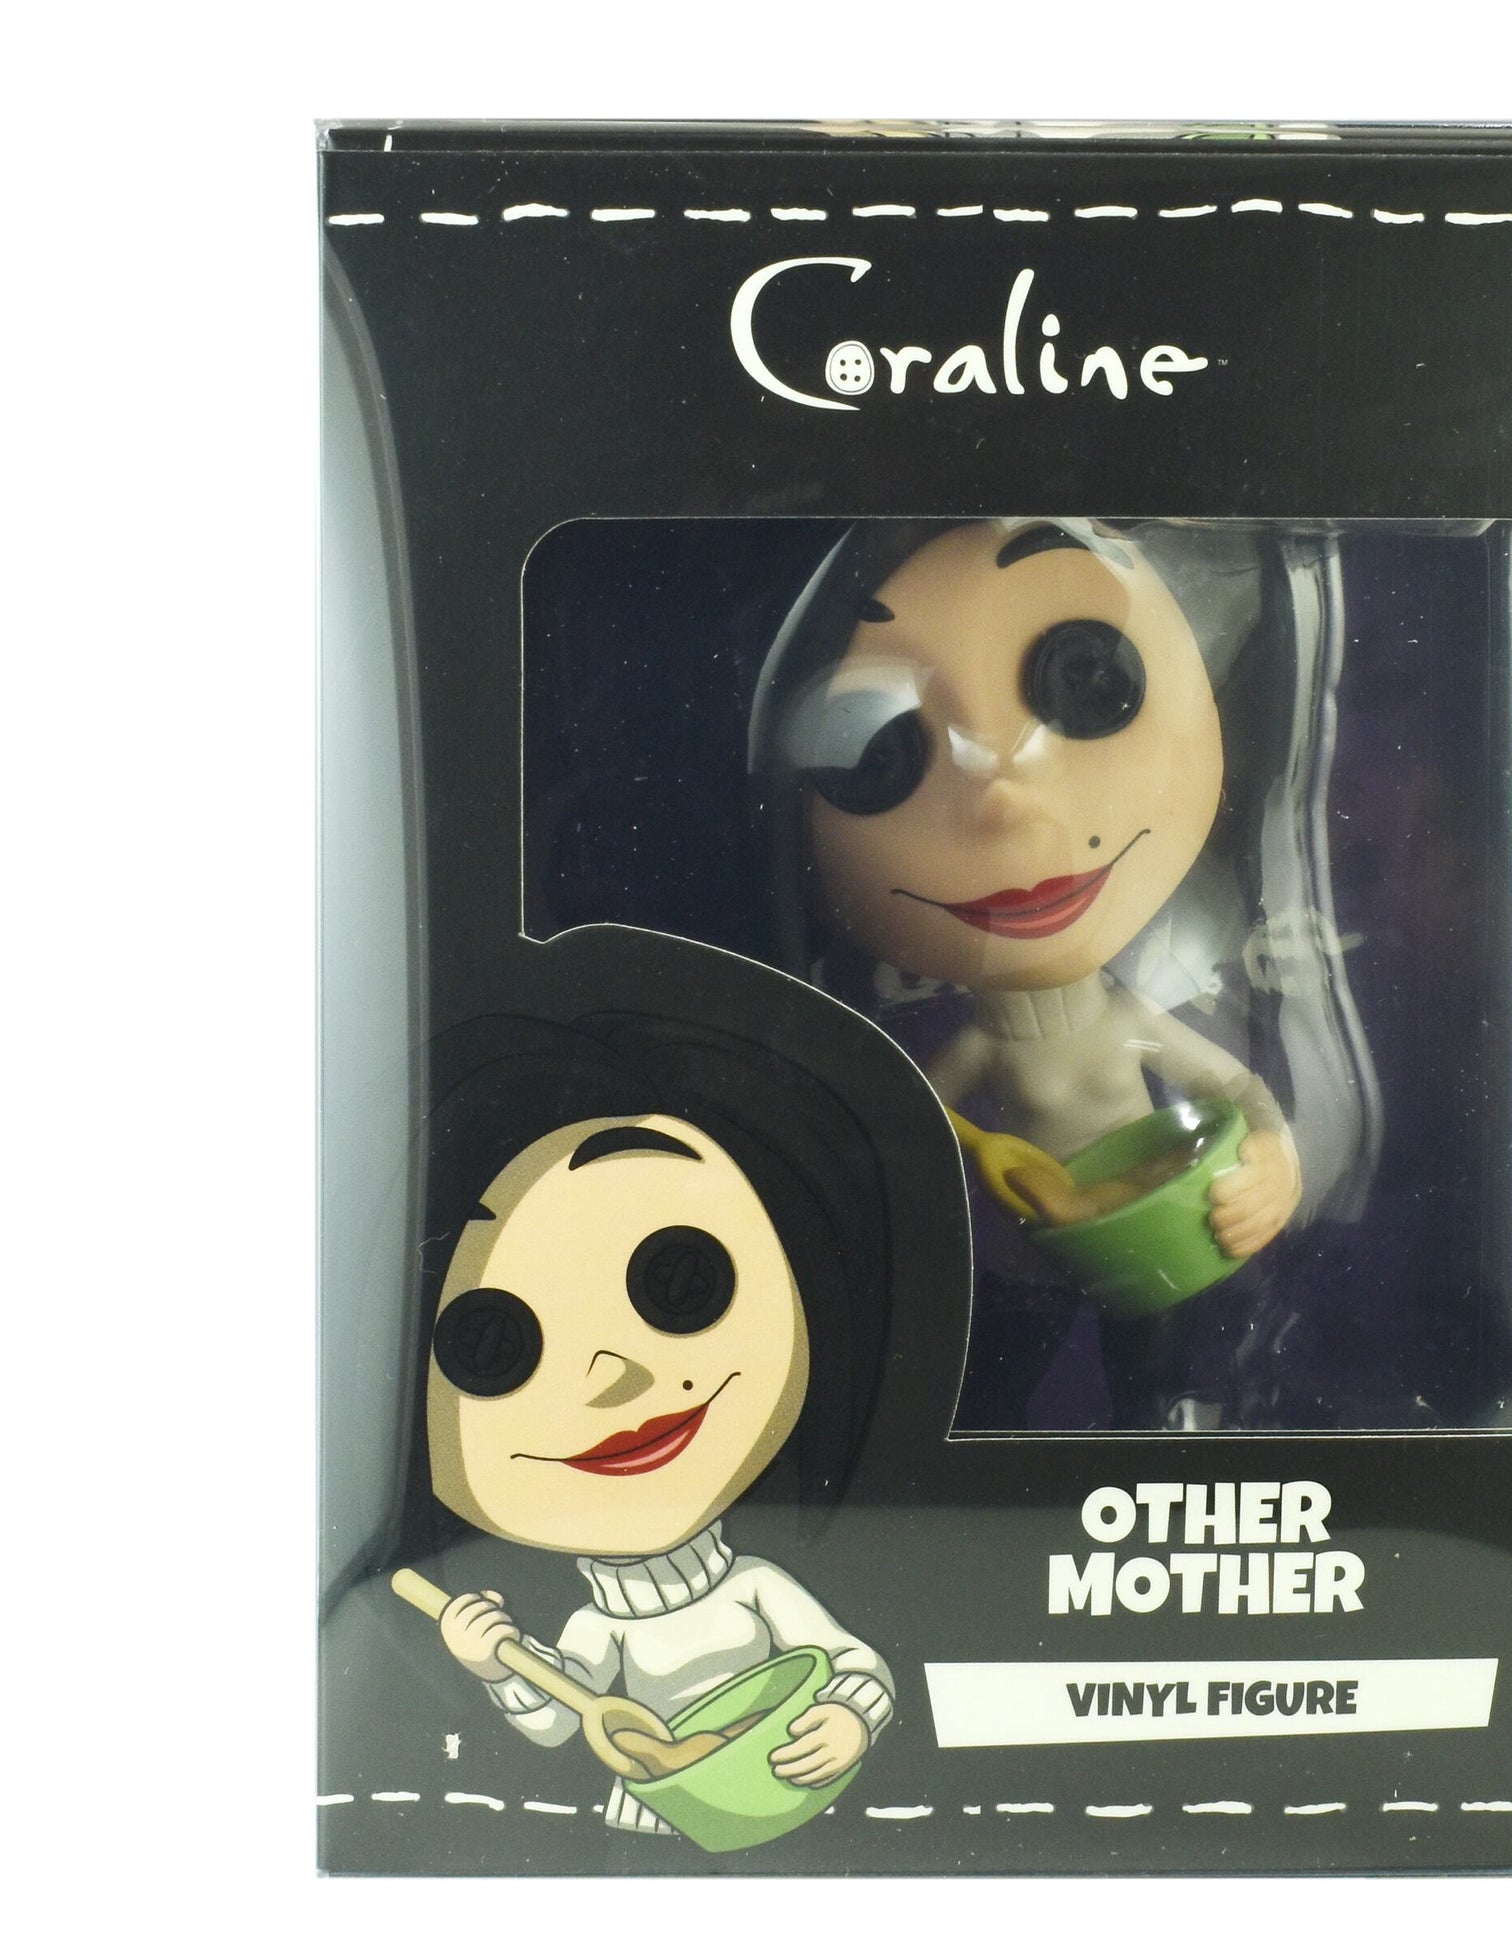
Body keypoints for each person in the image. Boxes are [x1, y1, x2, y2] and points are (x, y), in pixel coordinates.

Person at [751, 519, 1376, 1428]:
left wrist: (1276, 1163)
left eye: (1091, 684)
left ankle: (1155, 1426)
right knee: (996, 1384)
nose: (1004, 799)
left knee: (1157, 1377)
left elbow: (1241, 1089)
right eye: (880, 749)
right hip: (1019, 1253)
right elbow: (912, 1117)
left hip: (1159, 1223)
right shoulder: (986, 1046)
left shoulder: (1129, 1015)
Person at [407, 1011, 898, 1837]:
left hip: (790, 1790)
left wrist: (849, 1717)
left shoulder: (755, 1587)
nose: (613, 1379)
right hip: (656, 1821)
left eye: (680, 1282)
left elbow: (854, 1663)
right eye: (496, 1348)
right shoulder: (594, 1629)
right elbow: (561, 1717)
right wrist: (496, 1666)